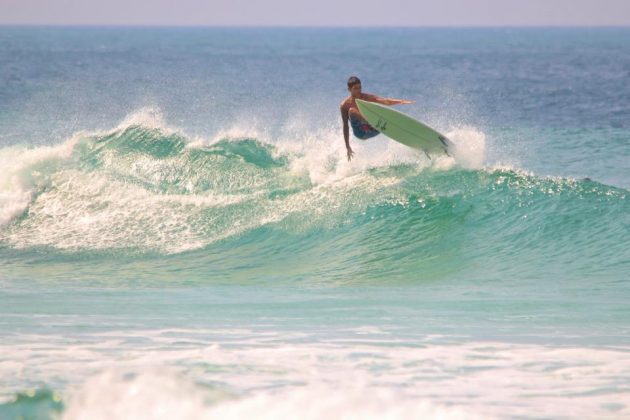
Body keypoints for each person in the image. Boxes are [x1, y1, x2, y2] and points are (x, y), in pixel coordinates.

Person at [340, 76, 414, 161]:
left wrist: (400, 101)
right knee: (352, 111)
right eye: (355, 88)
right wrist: (347, 146)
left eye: (360, 87)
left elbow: (385, 101)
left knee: (385, 113)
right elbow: (345, 126)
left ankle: (405, 133)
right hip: (360, 132)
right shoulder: (344, 105)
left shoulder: (366, 97)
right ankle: (371, 121)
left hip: (373, 129)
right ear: (349, 89)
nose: (359, 90)